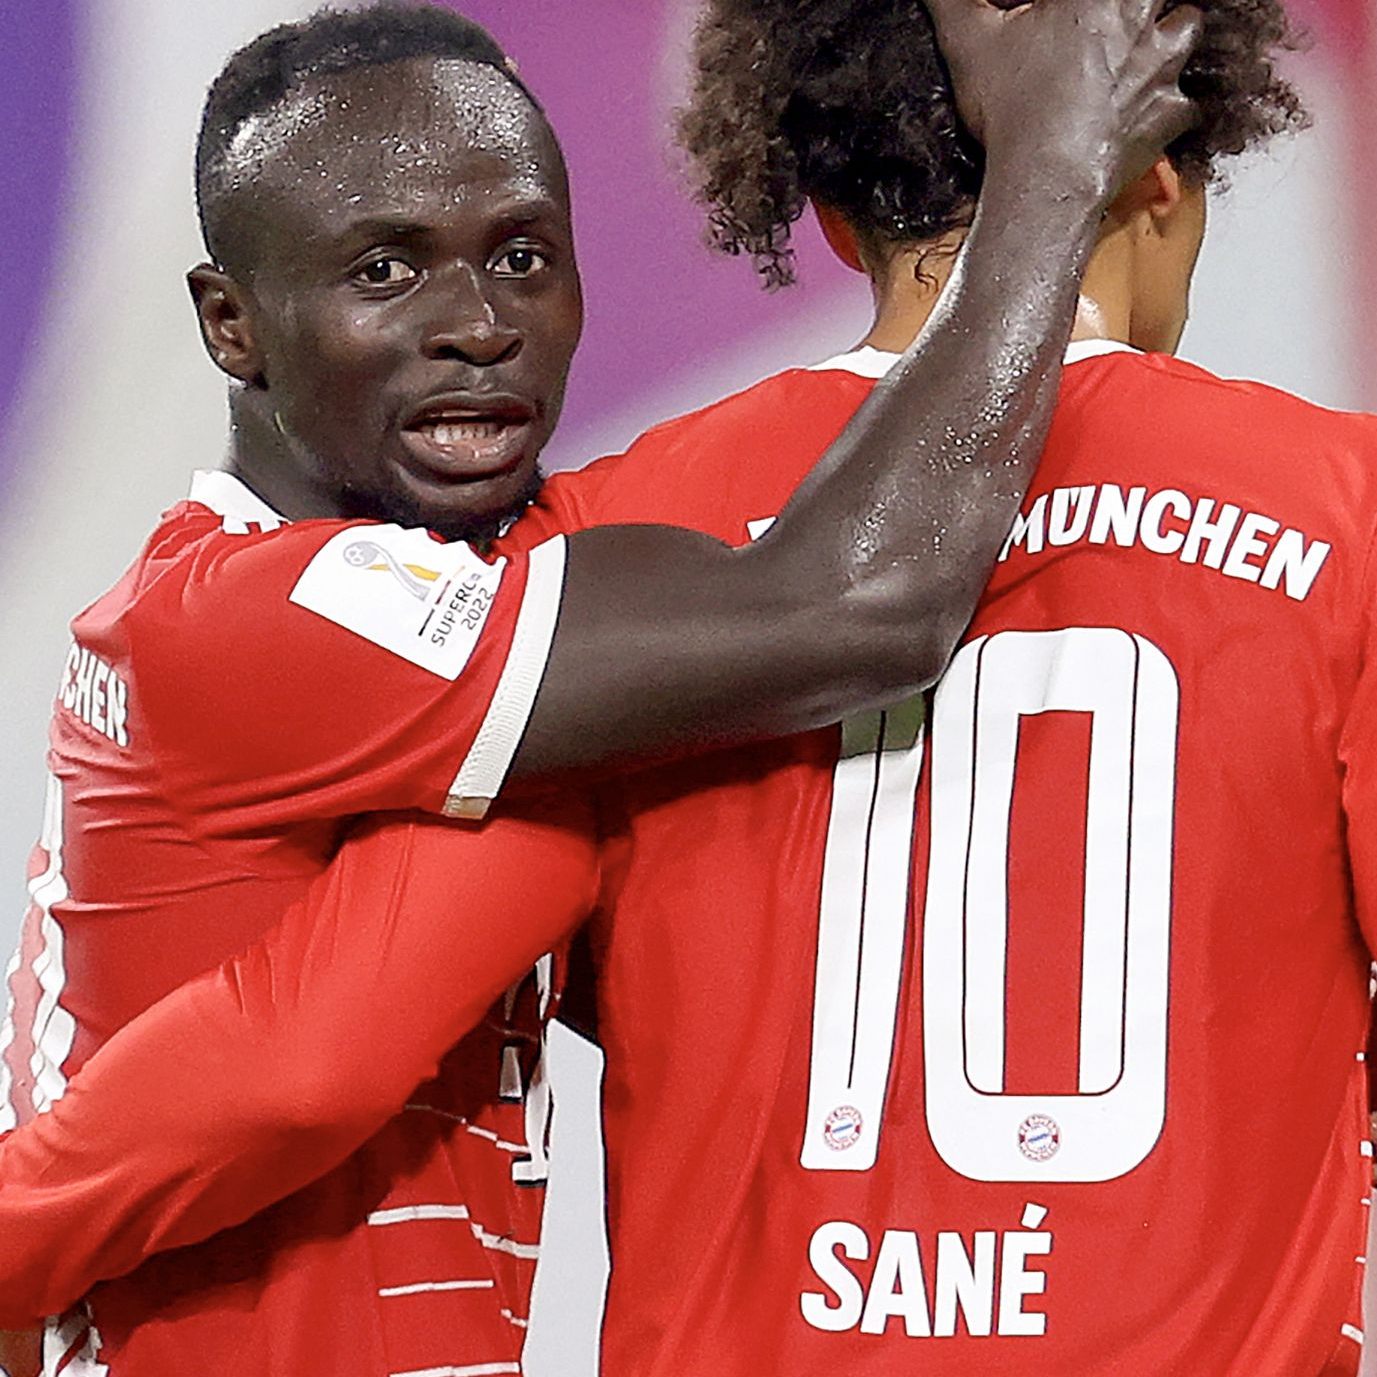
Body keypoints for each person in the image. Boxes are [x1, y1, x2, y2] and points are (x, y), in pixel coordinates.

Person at [0, 1, 1201, 1374]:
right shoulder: (272, 614)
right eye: (384, 271)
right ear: (234, 324)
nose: (476, 326)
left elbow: (319, 1039)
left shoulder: (381, 616)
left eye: (521, 257)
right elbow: (858, 602)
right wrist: (1052, 163)